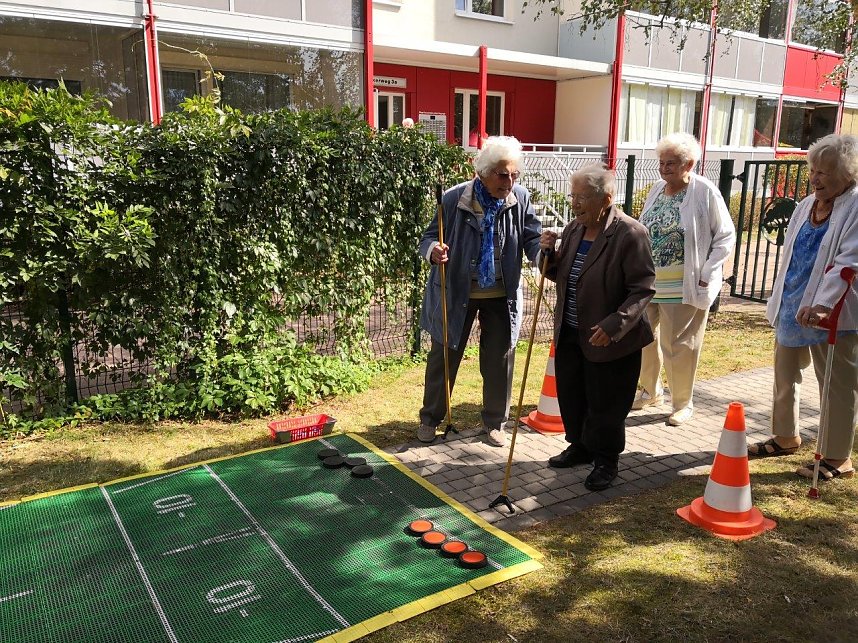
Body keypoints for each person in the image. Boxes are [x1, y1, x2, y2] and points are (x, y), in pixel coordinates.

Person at [417, 136, 542, 446]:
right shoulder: (454, 198)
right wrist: (433, 250)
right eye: (502, 174)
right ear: (484, 172)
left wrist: (544, 255)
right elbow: (428, 237)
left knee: (500, 359)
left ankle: (496, 422)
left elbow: (532, 238)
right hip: (456, 291)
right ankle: (430, 419)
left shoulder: (520, 198)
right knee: (444, 357)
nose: (509, 181)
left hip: (502, 293)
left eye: (515, 174)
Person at [748, 133, 858, 480]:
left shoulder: (855, 206)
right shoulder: (804, 205)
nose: (815, 178)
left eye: (825, 172)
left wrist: (824, 303)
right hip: (794, 303)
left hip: (835, 311)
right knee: (784, 373)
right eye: (813, 170)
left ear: (849, 173)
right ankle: (785, 436)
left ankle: (838, 457)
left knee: (835, 385)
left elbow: (848, 261)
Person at [541, 164, 655, 491]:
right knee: (574, 395)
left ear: (606, 199)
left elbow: (642, 288)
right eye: (572, 196)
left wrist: (615, 323)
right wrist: (546, 253)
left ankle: (606, 459)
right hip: (573, 331)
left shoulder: (630, 233)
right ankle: (580, 446)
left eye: (582, 198)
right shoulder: (576, 229)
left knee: (606, 403)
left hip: (612, 338)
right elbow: (559, 273)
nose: (574, 204)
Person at [633, 133, 736, 425]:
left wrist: (708, 272)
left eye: (672, 163)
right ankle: (650, 391)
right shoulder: (656, 189)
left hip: (685, 284)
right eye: (661, 163)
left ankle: (682, 403)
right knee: (642, 338)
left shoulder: (704, 191)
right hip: (649, 282)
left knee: (679, 344)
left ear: (689, 163)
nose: (665, 169)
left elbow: (725, 235)